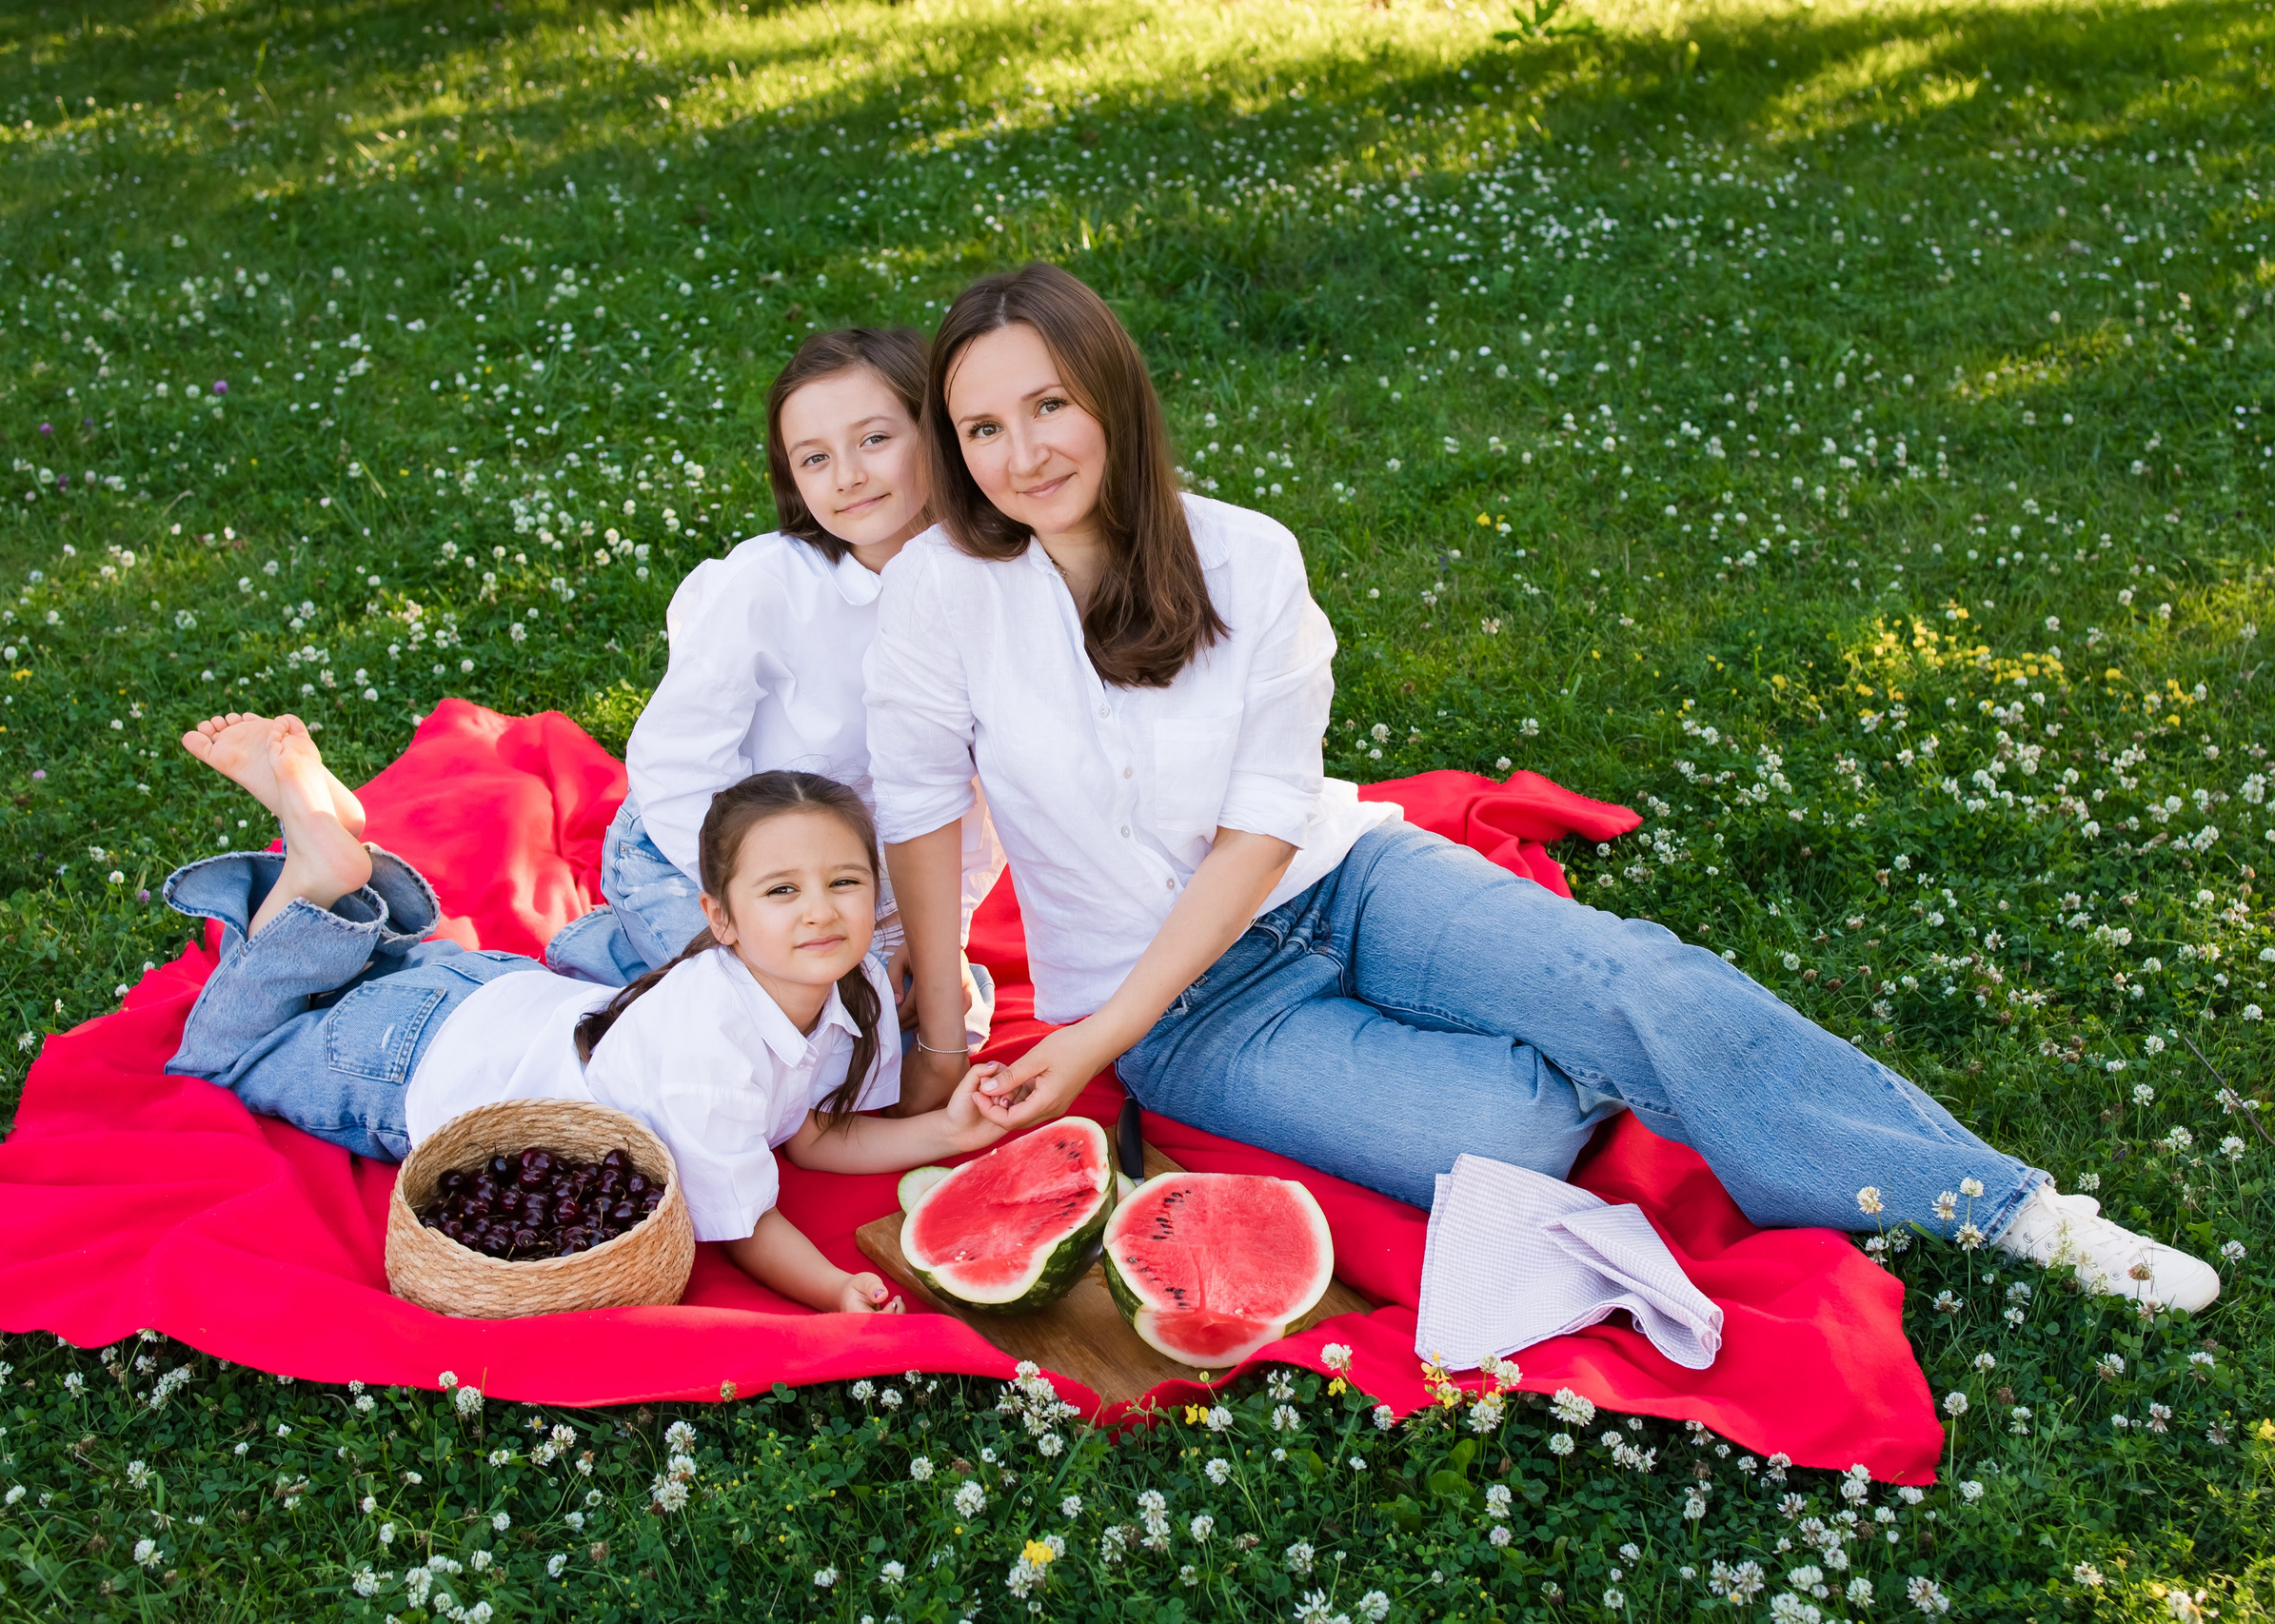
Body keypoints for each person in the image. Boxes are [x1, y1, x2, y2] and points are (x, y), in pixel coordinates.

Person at [869, 262, 2220, 1313]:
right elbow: (926, 810)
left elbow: (1266, 822)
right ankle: (1641, 1058)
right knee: (1509, 1126)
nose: (1022, 453)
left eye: (1049, 404)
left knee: (1650, 985)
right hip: (1191, 1018)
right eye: (983, 426)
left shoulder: (1248, 558)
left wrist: (1090, 1047)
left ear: (1113, 392)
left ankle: (2010, 1207)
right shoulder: (943, 591)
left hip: (1339, 883)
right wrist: (944, 1046)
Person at [167, 713, 1007, 1315]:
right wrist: (830, 1290)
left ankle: (340, 870)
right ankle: (318, 875)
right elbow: (745, 1224)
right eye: (782, 891)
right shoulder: (708, 1050)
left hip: (496, 996)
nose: (819, 912)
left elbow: (814, 1133)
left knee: (371, 973)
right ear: (719, 917)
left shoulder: (836, 984)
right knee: (227, 1055)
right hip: (412, 1065)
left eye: (844, 883)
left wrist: (948, 1135)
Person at [558, 327, 1001, 1070]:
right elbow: (675, 766)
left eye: (875, 439)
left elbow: (972, 793)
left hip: (857, 874)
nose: (849, 476)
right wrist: (758, 907)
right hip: (699, 855)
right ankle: (615, 948)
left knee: (914, 1037)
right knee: (785, 1054)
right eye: (815, 459)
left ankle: (651, 955)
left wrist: (939, 938)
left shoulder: (986, 589)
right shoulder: (766, 587)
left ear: (937, 435)